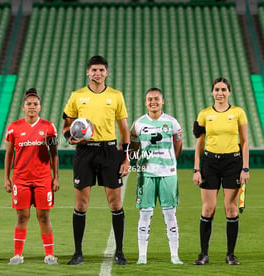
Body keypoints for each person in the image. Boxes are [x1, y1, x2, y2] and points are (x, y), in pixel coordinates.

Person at [62, 55, 130, 265]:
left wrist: (126, 157)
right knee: (81, 204)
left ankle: (119, 252)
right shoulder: (77, 96)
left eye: (101, 70)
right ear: (87, 72)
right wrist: (69, 137)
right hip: (85, 152)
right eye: (94, 70)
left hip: (109, 151)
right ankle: (77, 252)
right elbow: (67, 124)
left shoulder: (116, 96)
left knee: (115, 203)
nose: (97, 74)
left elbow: (124, 129)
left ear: (106, 72)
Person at [192, 77, 249, 265]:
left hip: (233, 163)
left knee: (231, 209)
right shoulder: (204, 114)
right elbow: (199, 142)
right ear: (212, 92)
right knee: (208, 208)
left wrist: (245, 168)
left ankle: (230, 255)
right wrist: (196, 169)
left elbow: (245, 141)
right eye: (217, 89)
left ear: (229, 92)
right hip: (210, 163)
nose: (220, 93)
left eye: (224, 89)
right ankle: (203, 254)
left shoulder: (238, 112)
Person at [4, 88, 59, 265]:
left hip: (43, 179)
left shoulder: (49, 127)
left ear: (40, 107)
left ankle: (49, 254)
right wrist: (7, 178)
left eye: (35, 104)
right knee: (22, 217)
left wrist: (55, 177)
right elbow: (9, 154)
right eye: (29, 104)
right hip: (21, 179)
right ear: (23, 107)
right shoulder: (14, 128)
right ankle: (17, 255)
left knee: (44, 216)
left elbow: (54, 154)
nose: (32, 107)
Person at [130, 88, 183, 265]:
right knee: (145, 215)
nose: (153, 102)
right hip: (146, 174)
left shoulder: (172, 122)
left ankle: (175, 255)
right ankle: (142, 256)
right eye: (150, 99)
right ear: (146, 102)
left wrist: (169, 161)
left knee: (170, 214)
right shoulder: (138, 124)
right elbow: (133, 146)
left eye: (157, 99)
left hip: (168, 174)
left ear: (163, 101)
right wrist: (138, 161)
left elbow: (178, 146)